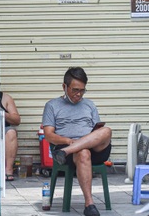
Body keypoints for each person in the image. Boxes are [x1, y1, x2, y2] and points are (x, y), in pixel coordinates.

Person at [42, 67, 112, 216]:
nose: (78, 94)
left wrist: (85, 139)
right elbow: (48, 135)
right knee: (83, 152)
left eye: (82, 90)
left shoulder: (90, 105)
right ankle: (89, 204)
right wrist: (68, 141)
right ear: (64, 87)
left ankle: (67, 151)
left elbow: (98, 130)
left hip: (92, 149)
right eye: (74, 90)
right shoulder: (52, 105)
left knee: (107, 131)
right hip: (69, 149)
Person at [0, 91, 21, 181]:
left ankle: (8, 169)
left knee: (11, 132)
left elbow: (17, 120)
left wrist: (2, 113)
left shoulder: (5, 97)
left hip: (1, 129)